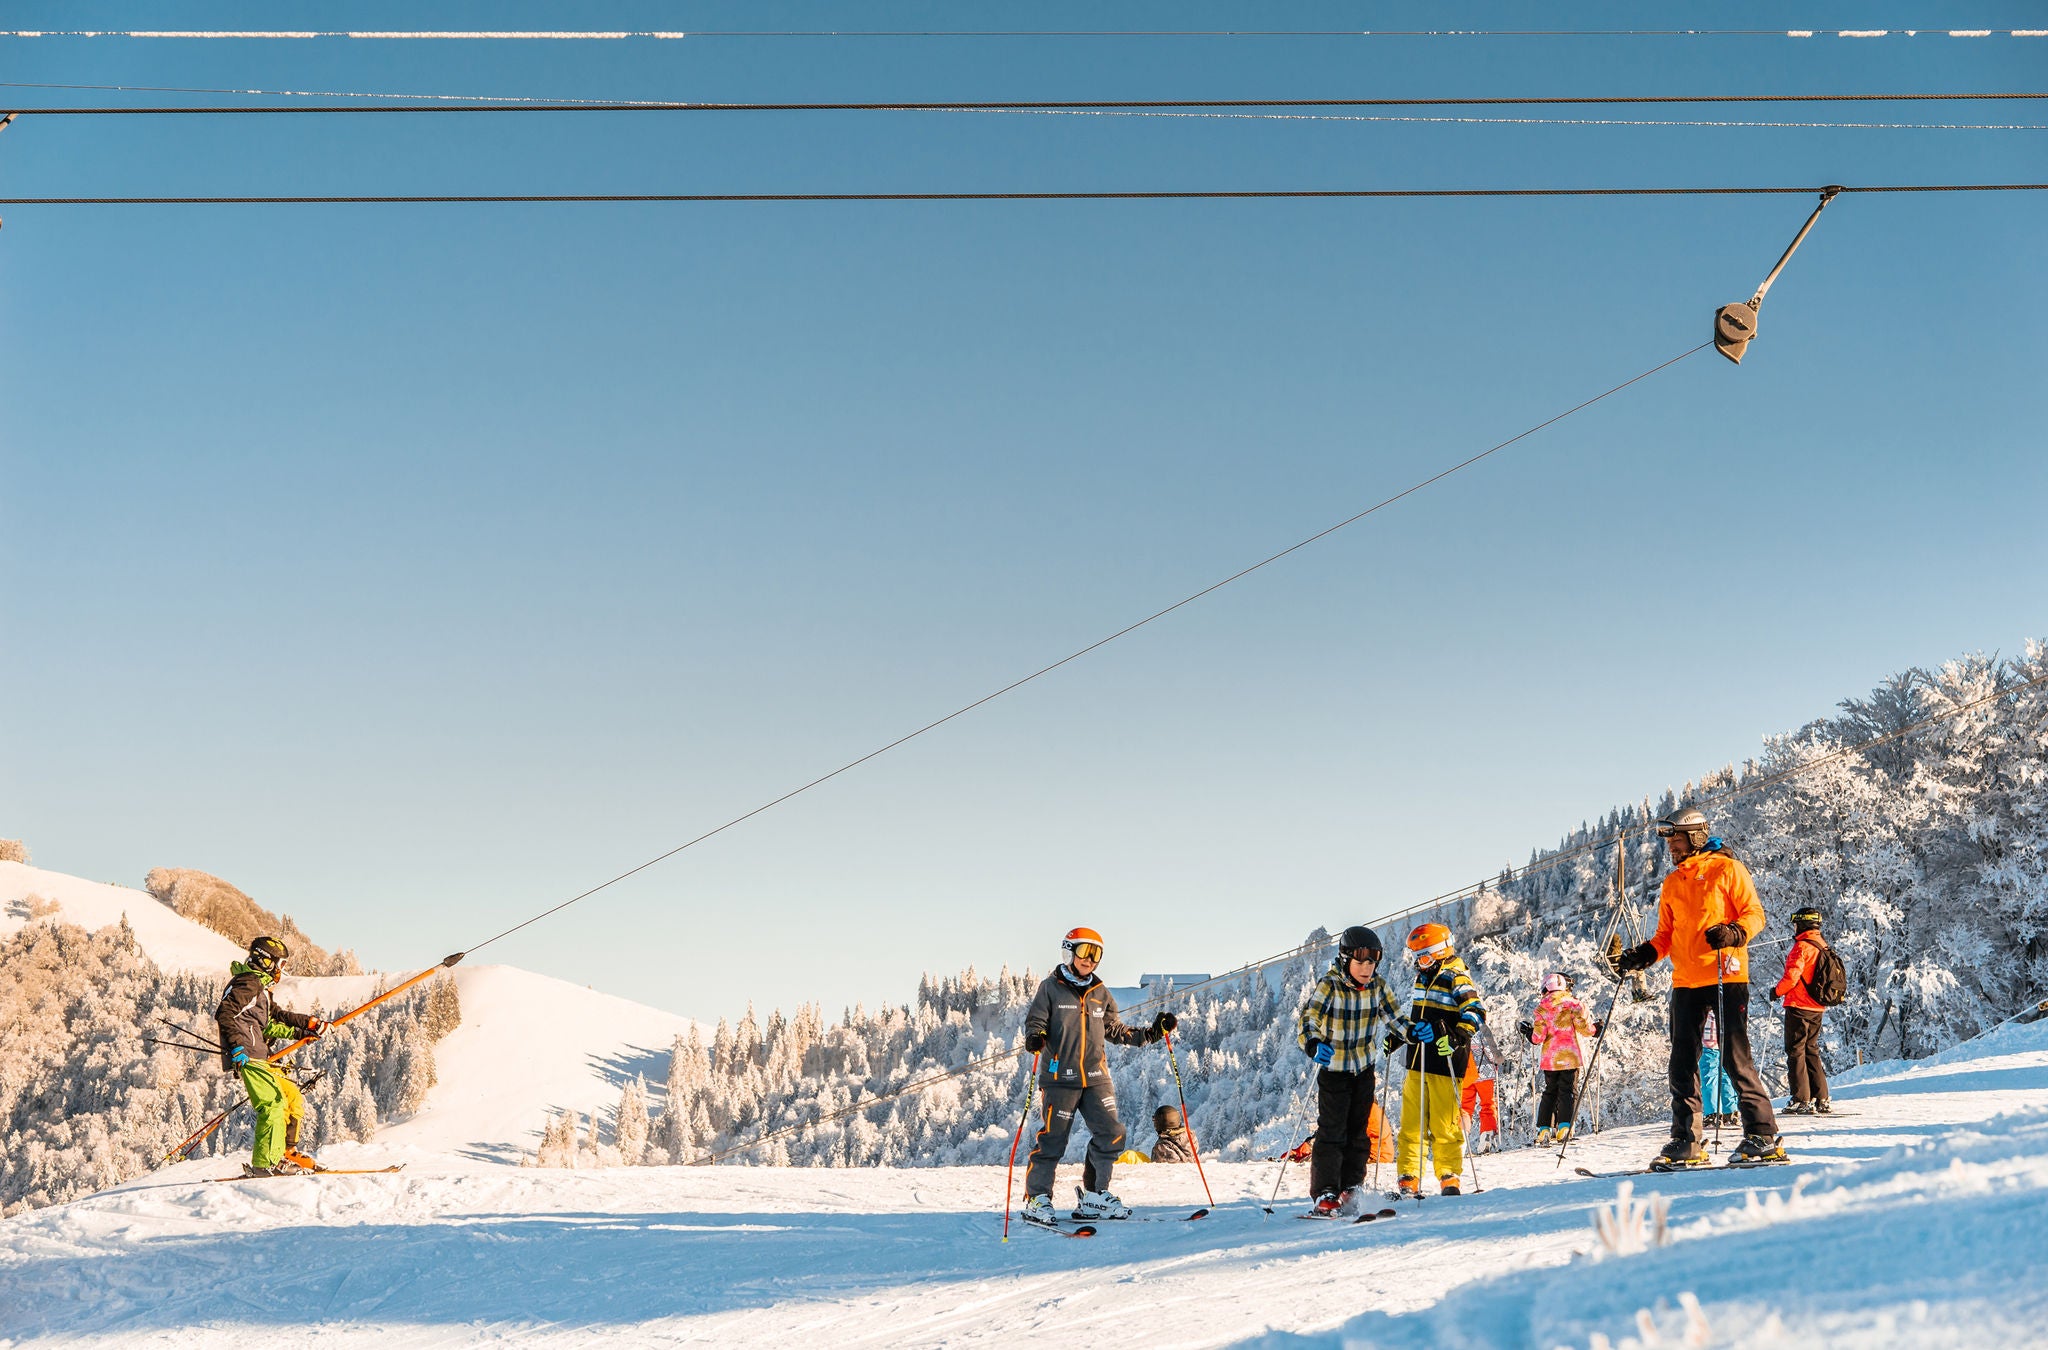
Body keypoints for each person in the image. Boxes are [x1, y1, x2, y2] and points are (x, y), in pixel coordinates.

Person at [1614, 808, 1787, 1168]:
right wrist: (1643, 955)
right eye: (1669, 842)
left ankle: (1762, 1135)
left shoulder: (1728, 870)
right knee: (1681, 1064)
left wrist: (1734, 933)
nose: (1671, 848)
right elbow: (1665, 936)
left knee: (1733, 1058)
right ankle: (1686, 1141)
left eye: (1676, 840)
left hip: (1726, 973)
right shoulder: (1673, 882)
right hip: (1686, 981)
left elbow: (1755, 914)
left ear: (1694, 837)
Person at [1019, 927, 1174, 1224]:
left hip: (1095, 1077)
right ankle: (1037, 1198)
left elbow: (1116, 1030)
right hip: (1060, 1079)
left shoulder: (1100, 992)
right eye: (1084, 952)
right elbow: (1036, 1021)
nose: (1090, 959)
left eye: (1096, 954)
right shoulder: (1050, 988)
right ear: (1069, 951)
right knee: (1053, 1139)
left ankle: (1094, 1195)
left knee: (1112, 1132)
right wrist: (1036, 1036)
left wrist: (1153, 1033)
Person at [1297, 925, 1403, 1215]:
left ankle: (1351, 1187)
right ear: (1346, 960)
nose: (1367, 969)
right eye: (1361, 962)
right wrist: (1314, 1043)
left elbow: (1395, 1017)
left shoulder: (1378, 986)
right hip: (1335, 1070)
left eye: (1372, 963)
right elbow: (1309, 1020)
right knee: (1332, 1131)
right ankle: (1326, 1192)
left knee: (1359, 1132)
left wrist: (1413, 1031)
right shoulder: (1330, 985)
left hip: (1364, 1070)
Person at [1384, 922, 1485, 1197]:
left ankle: (1449, 1175)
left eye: (1425, 956)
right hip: (1417, 1060)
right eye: (1416, 957)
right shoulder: (1423, 979)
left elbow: (1476, 1012)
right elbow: (1419, 1018)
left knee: (1444, 1123)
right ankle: (1409, 1175)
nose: (1420, 963)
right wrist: (1401, 1035)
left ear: (1441, 951)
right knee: (1412, 1122)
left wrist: (1456, 1037)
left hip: (1446, 1061)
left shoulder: (1456, 976)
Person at [215, 936, 326, 1177]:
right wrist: (236, 1048)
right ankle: (265, 1163)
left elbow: (274, 1019)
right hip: (248, 1054)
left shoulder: (259, 988)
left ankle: (283, 1153)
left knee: (289, 1096)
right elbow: (225, 1012)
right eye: (280, 964)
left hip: (257, 1052)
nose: (280, 970)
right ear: (267, 961)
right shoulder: (248, 983)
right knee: (272, 1105)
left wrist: (305, 1028)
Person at [1522, 972, 1595, 1146]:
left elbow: (1537, 1038)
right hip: (1570, 1057)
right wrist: (1595, 1029)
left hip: (1550, 1060)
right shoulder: (1574, 1005)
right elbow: (1584, 1029)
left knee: (1550, 1092)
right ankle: (1564, 1128)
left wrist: (1528, 1033)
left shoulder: (1542, 1008)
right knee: (1568, 1092)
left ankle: (1544, 1130)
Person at [1774, 908, 1834, 1114]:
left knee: (1795, 1050)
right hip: (1817, 1007)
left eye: (1796, 923)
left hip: (1799, 1006)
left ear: (1803, 924)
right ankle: (1821, 1097)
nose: (1794, 927)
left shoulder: (1802, 947)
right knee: (1811, 1049)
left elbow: (1792, 976)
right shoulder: (1822, 945)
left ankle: (1800, 1099)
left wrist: (1776, 991)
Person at [1459, 1023, 1502, 1153]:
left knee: (1465, 1108)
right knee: (1488, 1104)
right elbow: (1490, 1051)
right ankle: (1487, 1136)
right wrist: (1499, 1059)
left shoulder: (1459, 1028)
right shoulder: (1482, 1029)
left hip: (1466, 1074)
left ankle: (1461, 1138)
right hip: (1485, 1074)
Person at [1699, 1011, 1740, 1129]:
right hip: (1725, 1040)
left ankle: (1712, 1114)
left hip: (1707, 1041)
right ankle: (1730, 1112)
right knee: (1726, 1074)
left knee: (1709, 1076)